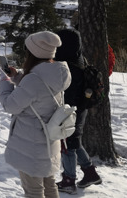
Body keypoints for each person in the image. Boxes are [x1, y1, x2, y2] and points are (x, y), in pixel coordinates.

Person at [0, 31, 72, 198]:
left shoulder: (33, 79)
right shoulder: (56, 74)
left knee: (34, 191)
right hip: (49, 142)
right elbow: (39, 93)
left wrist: (5, 82)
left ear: (33, 53)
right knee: (49, 185)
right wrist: (16, 77)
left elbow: (10, 105)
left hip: (30, 145)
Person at [53, 28, 102, 194]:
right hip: (81, 109)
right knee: (74, 141)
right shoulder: (79, 59)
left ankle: (69, 179)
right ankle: (90, 173)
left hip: (69, 110)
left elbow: (68, 93)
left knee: (67, 144)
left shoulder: (67, 66)